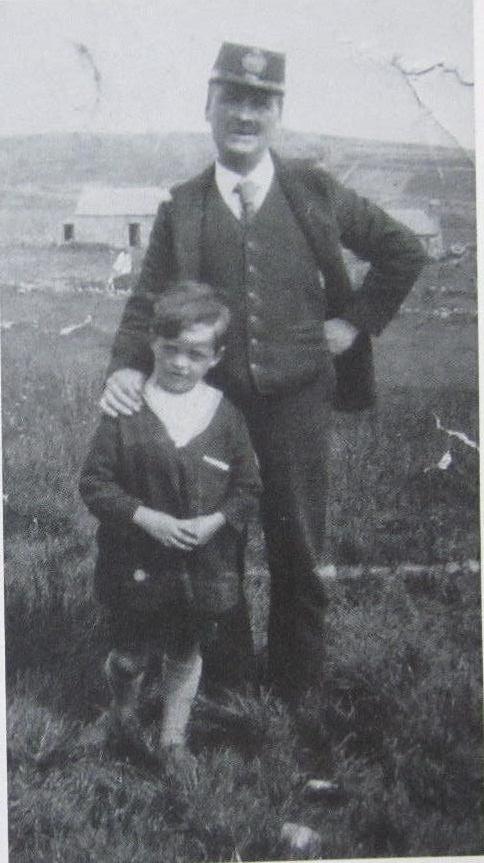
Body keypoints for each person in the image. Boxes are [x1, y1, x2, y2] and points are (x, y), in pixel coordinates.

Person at [100, 42, 427, 700]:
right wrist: (126, 368)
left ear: (278, 113)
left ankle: (296, 704)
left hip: (299, 405)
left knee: (298, 555)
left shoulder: (314, 191)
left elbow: (401, 249)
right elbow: (146, 302)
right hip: (215, 415)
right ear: (209, 108)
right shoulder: (184, 206)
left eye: (260, 102)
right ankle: (230, 699)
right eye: (232, 100)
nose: (245, 114)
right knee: (215, 555)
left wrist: (356, 322)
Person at [80, 282, 261, 760]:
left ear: (216, 356)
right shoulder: (126, 410)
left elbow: (248, 489)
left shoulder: (225, 417)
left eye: (196, 354)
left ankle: (172, 738)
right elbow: (94, 484)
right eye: (171, 350)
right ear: (153, 345)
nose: (181, 363)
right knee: (130, 653)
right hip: (134, 562)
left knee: (185, 650)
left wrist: (217, 522)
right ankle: (121, 715)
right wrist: (146, 518)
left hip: (198, 568)